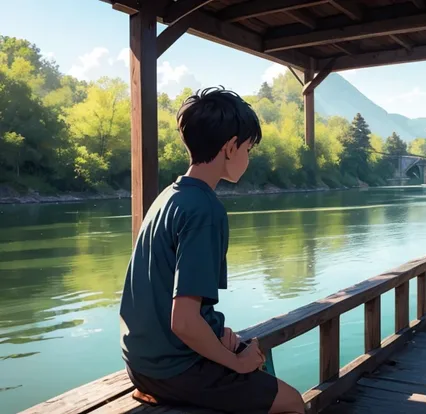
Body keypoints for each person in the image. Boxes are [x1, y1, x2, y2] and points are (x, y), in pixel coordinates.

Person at [118, 86, 305, 414]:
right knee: (291, 402)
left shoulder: (168, 197)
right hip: (173, 369)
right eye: (249, 148)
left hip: (140, 362)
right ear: (231, 147)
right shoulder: (205, 210)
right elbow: (184, 322)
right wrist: (237, 362)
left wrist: (216, 335)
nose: (248, 157)